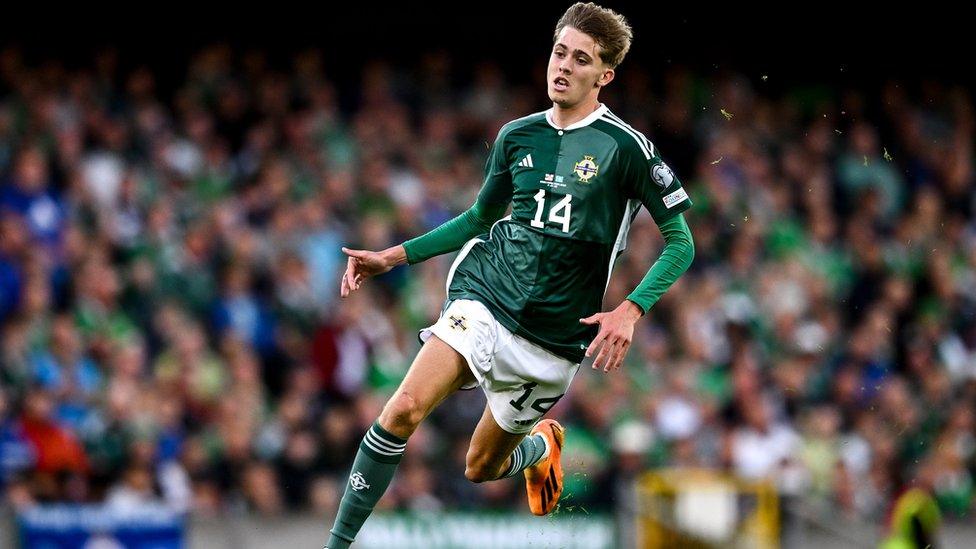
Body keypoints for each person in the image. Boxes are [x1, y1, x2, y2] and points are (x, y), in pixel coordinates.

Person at [326, 3, 694, 547]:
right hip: (488, 298)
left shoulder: (627, 149)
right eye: (559, 52)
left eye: (581, 59)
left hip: (554, 340)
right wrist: (391, 256)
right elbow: (479, 218)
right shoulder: (517, 137)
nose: (563, 66)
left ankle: (541, 448)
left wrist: (629, 309)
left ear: (605, 75)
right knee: (401, 410)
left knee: (480, 466)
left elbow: (682, 241)